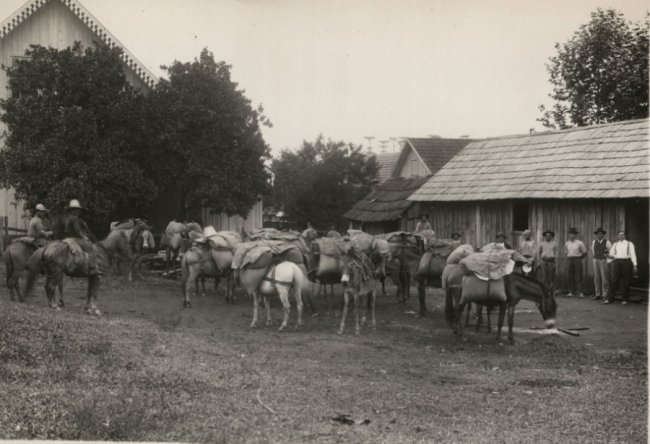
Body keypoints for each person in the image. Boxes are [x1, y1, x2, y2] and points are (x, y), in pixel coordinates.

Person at [61, 199, 100, 275]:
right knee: (91, 247)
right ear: (71, 210)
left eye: (78, 209)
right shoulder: (74, 218)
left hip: (67, 238)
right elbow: (77, 231)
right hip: (74, 239)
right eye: (75, 209)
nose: (77, 211)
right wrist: (84, 237)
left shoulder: (68, 218)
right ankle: (92, 267)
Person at [604, 231, 637, 305]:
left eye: (622, 235)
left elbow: (633, 254)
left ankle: (625, 299)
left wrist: (635, 264)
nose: (621, 236)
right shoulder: (615, 244)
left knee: (626, 281)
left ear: (625, 236)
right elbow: (611, 254)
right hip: (616, 262)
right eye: (619, 235)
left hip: (626, 262)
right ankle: (609, 299)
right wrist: (608, 258)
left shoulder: (629, 244)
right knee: (614, 280)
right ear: (617, 236)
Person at [565, 228, 587, 298]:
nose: (571, 236)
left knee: (579, 276)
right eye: (570, 234)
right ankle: (571, 292)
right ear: (569, 235)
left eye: (573, 234)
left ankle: (580, 292)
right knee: (570, 276)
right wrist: (569, 258)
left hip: (577, 259)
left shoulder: (579, 243)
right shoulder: (567, 243)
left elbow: (585, 252)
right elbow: (566, 252)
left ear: (575, 235)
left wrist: (579, 258)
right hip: (569, 260)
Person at [591, 227, 612, 300]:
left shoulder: (607, 242)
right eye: (598, 234)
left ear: (603, 234)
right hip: (596, 260)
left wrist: (606, 258)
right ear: (596, 235)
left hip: (603, 260)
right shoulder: (594, 242)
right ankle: (597, 294)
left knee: (604, 278)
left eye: (601, 234)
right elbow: (593, 251)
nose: (599, 235)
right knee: (596, 277)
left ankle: (604, 294)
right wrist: (595, 257)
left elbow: (611, 252)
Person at [538, 230, 558, 296]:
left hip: (551, 261)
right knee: (544, 276)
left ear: (551, 237)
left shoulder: (554, 243)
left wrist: (555, 261)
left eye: (549, 236)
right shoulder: (542, 244)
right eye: (546, 236)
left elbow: (556, 253)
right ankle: (544, 290)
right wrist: (539, 260)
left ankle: (552, 291)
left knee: (551, 276)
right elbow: (538, 253)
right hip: (544, 261)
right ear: (544, 236)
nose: (548, 237)